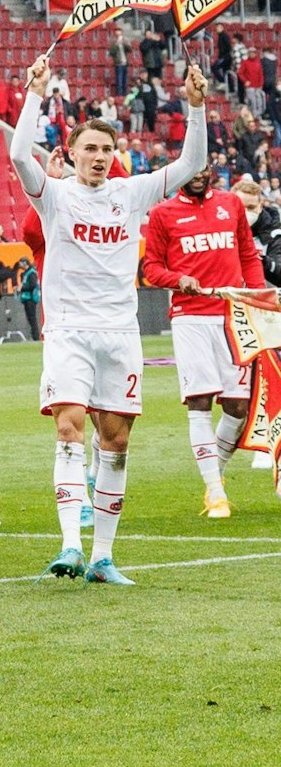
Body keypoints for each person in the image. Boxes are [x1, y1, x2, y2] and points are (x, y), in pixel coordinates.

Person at [10, 53, 207, 583]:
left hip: (120, 334)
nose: (99, 157)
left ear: (115, 155)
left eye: (106, 149)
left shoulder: (131, 192)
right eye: (90, 148)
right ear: (71, 154)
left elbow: (192, 163)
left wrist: (195, 106)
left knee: (115, 443)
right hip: (68, 332)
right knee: (69, 429)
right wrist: (35, 92)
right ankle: (70, 545)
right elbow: (18, 154)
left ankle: (102, 557)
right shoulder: (55, 196)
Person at [140, 163, 261, 518]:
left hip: (233, 315)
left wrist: (258, 297)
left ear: (211, 170)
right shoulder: (162, 213)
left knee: (238, 408)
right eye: (191, 168)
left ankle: (215, 474)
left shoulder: (230, 204)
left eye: (202, 167)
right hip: (190, 317)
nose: (197, 174)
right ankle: (215, 493)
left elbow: (247, 255)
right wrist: (178, 279)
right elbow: (151, 268)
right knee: (200, 401)